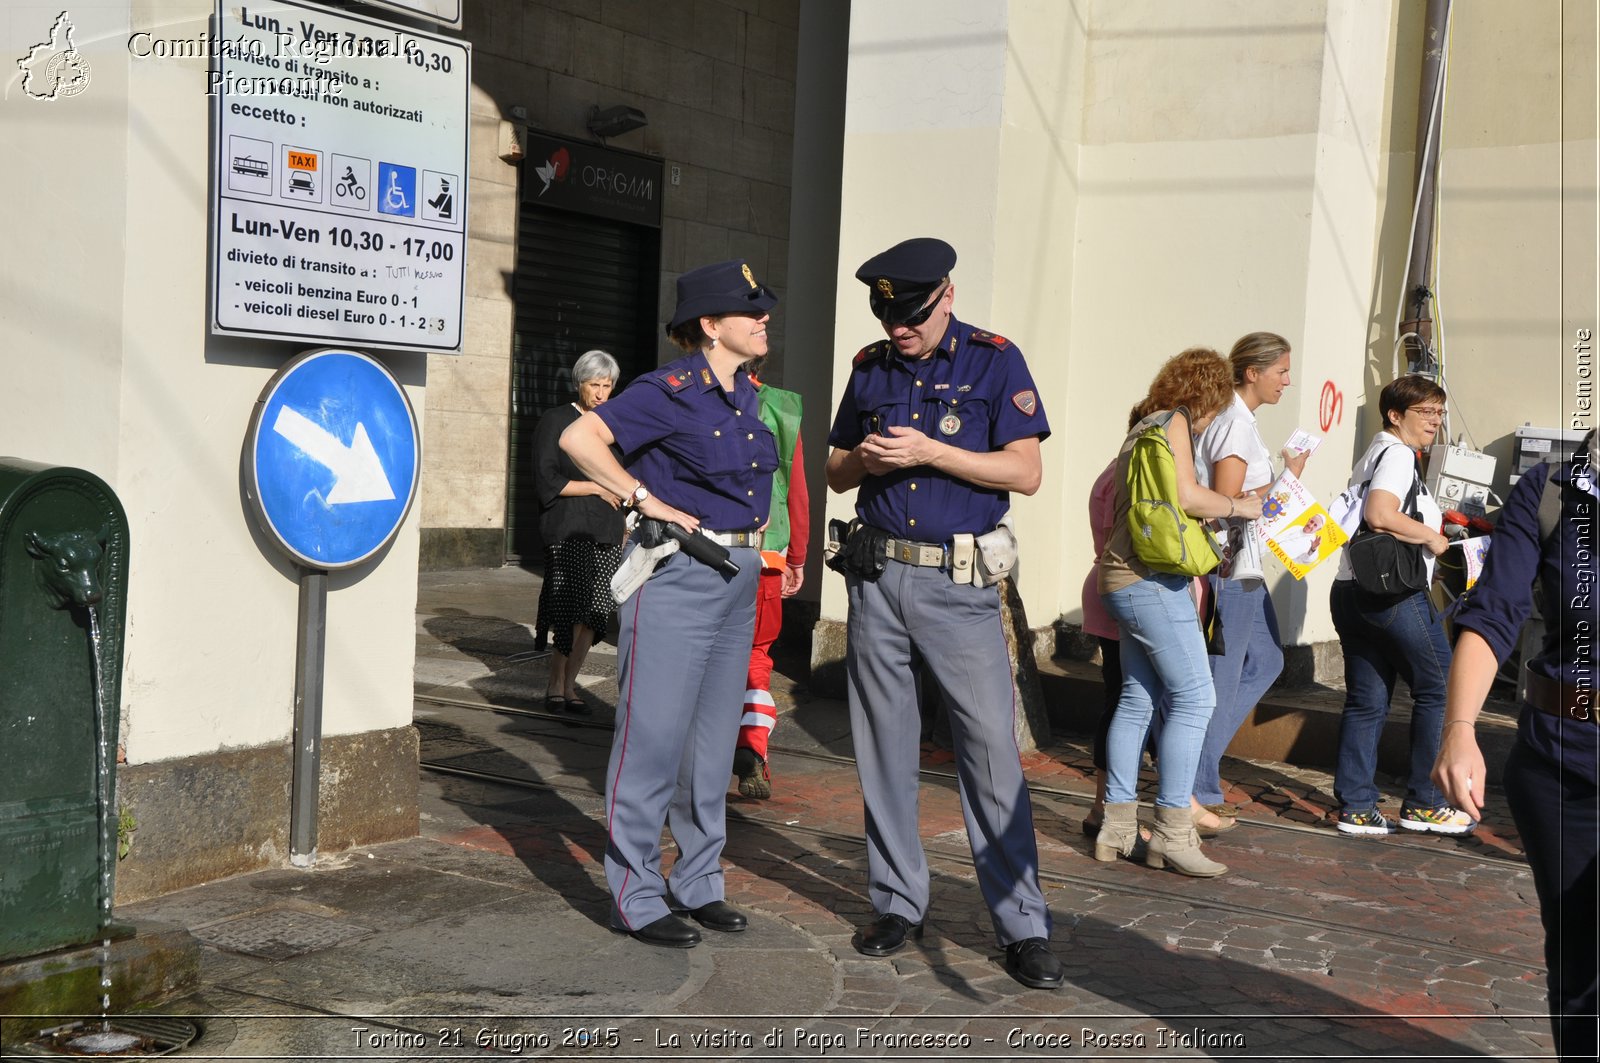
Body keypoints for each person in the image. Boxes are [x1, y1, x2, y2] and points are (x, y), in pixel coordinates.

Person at [824, 237, 1063, 990]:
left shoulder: (995, 360)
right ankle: (897, 900)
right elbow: (834, 471)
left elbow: (1025, 472)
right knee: (883, 747)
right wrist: (867, 458)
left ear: (946, 296)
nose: (900, 327)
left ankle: (1022, 923)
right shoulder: (870, 367)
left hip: (959, 588)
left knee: (990, 753)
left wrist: (931, 452)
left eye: (913, 315)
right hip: (878, 578)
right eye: (887, 314)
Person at [560, 259, 779, 949]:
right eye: (751, 311)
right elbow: (579, 439)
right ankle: (635, 890)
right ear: (711, 326)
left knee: (712, 745)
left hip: (738, 571)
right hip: (679, 571)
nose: (764, 318)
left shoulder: (748, 394)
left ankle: (698, 881)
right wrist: (642, 498)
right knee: (650, 738)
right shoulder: (668, 389)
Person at [1432, 432, 1599, 1062]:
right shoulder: (1553, 492)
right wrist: (1458, 730)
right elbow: (1495, 611)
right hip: (1563, 762)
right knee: (1580, 965)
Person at [1096, 347, 1264, 879]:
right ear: (1208, 396)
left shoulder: (1142, 423)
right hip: (1151, 580)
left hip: (1120, 576)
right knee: (1196, 697)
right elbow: (1188, 497)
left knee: (1136, 697)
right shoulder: (1174, 424)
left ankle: (1116, 829)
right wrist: (1242, 507)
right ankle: (1172, 832)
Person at [1329, 375, 1468, 836]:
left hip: (1351, 589)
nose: (1435, 421)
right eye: (1425, 412)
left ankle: (1356, 807)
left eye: (1439, 412)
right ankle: (1426, 803)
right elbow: (1379, 514)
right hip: (1393, 594)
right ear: (1395, 415)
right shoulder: (1398, 455)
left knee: (1367, 701)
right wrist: (1432, 535)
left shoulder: (1371, 455)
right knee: (1441, 687)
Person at [1190, 332, 1304, 835]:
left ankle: (1192, 761)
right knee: (1224, 677)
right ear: (1252, 372)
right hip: (1232, 568)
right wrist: (1285, 481)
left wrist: (1284, 479)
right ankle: (1198, 783)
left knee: (1268, 660)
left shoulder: (1239, 421)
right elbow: (1227, 500)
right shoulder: (1234, 424)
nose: (1287, 379)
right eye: (1280, 370)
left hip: (1246, 566)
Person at [532, 349, 625, 715]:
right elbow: (546, 477)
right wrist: (596, 487)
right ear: (579, 384)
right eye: (594, 385)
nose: (601, 393)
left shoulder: (613, 425)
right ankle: (555, 682)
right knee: (570, 608)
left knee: (596, 612)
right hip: (569, 527)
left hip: (607, 528)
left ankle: (571, 683)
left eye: (607, 385)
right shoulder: (557, 420)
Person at [731, 367, 810, 799]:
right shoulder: (782, 408)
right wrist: (796, 555)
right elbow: (795, 489)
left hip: (707, 552)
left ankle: (696, 760)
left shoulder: (687, 394)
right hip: (767, 554)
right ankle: (753, 750)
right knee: (757, 657)